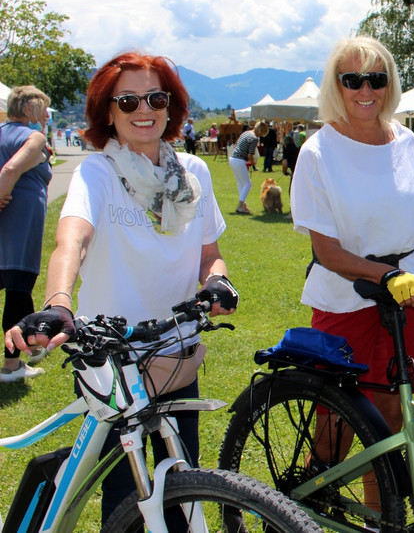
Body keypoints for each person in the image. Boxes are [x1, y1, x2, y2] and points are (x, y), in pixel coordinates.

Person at [3, 51, 238, 522]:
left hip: (174, 352)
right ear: (107, 112)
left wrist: (217, 279)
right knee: (123, 497)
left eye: (155, 97)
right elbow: (72, 240)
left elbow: (208, 251)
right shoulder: (98, 172)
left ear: (171, 106)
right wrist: (58, 303)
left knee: (182, 484)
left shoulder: (194, 174)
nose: (143, 109)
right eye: (127, 101)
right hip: (110, 358)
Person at [291, 36, 414, 440]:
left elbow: (412, 226)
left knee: (394, 416)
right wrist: (385, 275)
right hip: (344, 297)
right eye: (352, 79)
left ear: (389, 84)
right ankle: (316, 503)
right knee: (335, 423)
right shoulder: (318, 151)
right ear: (335, 86)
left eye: (376, 79)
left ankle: (383, 506)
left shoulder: (405, 141)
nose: (365, 90)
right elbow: (327, 251)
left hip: (405, 296)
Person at [0, 86, 52, 381]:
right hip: (20, 224)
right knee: (18, 293)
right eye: (43, 108)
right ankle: (12, 365)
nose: (46, 115)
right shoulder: (33, 137)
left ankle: (28, 350)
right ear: (31, 110)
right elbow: (9, 170)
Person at [228, 121, 268, 214]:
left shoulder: (246, 133)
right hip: (239, 160)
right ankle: (240, 205)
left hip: (233, 158)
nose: (260, 136)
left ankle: (243, 205)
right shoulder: (254, 138)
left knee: (240, 183)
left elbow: (236, 144)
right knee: (247, 184)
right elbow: (250, 154)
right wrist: (253, 163)